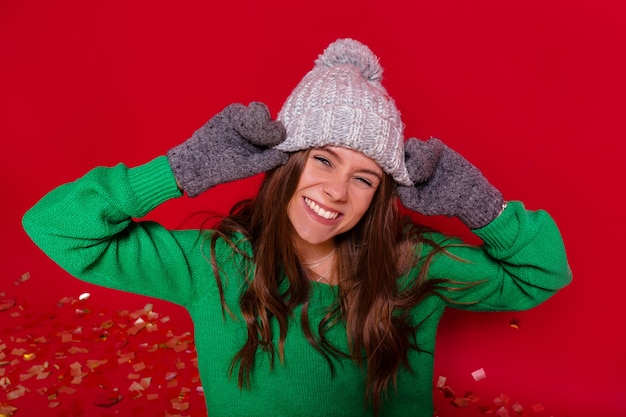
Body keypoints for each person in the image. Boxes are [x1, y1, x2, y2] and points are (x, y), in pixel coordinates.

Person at [22, 38, 571, 417]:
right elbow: (54, 226)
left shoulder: (411, 265)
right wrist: (178, 169)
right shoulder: (213, 263)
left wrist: (480, 205)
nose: (336, 192)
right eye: (324, 161)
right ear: (285, 165)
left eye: (365, 179)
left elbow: (543, 275)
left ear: (381, 197)